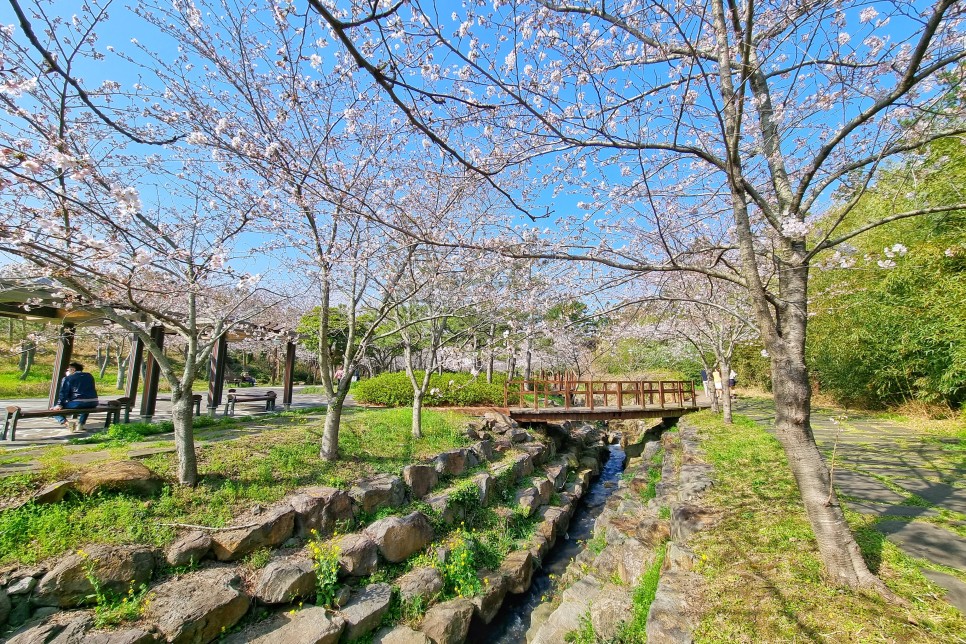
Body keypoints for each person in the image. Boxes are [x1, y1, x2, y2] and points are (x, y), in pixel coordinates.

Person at [51, 361, 98, 431]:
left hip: (78, 403)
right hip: (93, 402)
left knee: (54, 410)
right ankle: (80, 424)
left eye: (68, 370)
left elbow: (63, 393)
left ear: (73, 369)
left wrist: (59, 405)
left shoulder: (68, 378)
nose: (67, 371)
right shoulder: (89, 376)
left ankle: (67, 423)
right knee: (86, 406)